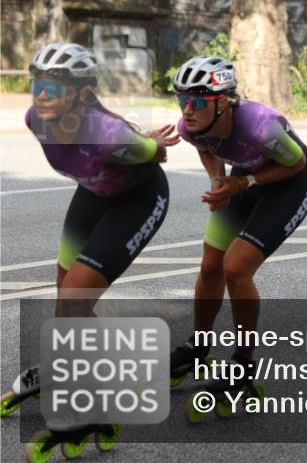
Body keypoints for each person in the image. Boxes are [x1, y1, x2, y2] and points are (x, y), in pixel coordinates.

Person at [2, 43, 176, 454]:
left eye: (55, 86)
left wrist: (144, 141)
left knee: (76, 296)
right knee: (67, 298)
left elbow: (157, 152)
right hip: (93, 194)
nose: (41, 93)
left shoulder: (108, 135)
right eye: (37, 83)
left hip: (138, 199)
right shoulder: (35, 119)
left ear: (81, 94)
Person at [168, 55, 307, 409]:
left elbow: (295, 163)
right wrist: (219, 179)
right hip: (243, 178)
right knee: (209, 266)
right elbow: (207, 148)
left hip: (289, 181)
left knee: (235, 268)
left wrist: (244, 182)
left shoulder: (260, 127)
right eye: (181, 100)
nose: (187, 110)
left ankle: (244, 363)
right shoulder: (190, 126)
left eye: (196, 101)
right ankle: (200, 346)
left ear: (222, 102)